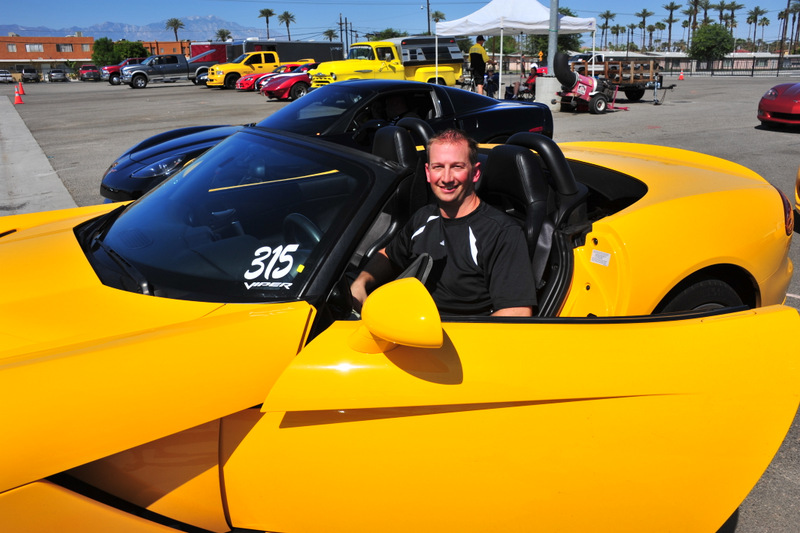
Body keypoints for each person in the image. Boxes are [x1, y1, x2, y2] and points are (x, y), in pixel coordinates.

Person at [350, 129, 537, 317]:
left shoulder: (502, 232)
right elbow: (390, 255)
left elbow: (517, 312)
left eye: (457, 167)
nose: (446, 178)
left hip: (454, 333)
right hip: (408, 321)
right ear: (428, 172)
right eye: (438, 167)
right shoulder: (424, 216)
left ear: (475, 173)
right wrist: (361, 282)